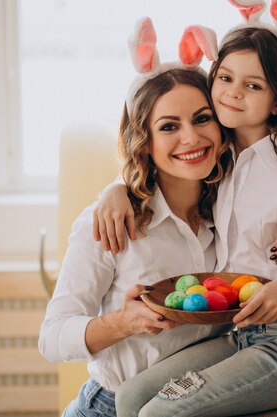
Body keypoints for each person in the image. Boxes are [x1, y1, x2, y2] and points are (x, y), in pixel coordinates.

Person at [96, 2, 277, 416]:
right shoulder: (217, 163)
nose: (233, 92)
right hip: (238, 336)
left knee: (160, 413)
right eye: (225, 78)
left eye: (253, 86)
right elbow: (154, 165)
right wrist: (116, 189)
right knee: (129, 398)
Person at [39, 19, 240, 417]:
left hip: (201, 401)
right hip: (112, 406)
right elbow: (52, 338)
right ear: (144, 143)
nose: (191, 138)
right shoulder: (111, 224)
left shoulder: (233, 209)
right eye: (169, 126)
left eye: (202, 118)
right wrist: (123, 322)